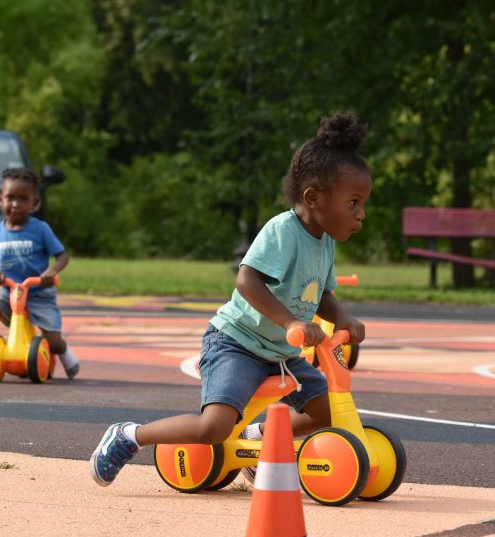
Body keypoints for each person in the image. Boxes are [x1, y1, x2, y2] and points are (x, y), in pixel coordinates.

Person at [89, 111, 371, 487]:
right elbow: (247, 281)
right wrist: (291, 322)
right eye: (353, 203)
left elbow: (323, 295)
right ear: (314, 197)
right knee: (214, 427)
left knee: (328, 413)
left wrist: (344, 319)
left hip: (280, 354)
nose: (361, 215)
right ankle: (129, 436)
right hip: (236, 344)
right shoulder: (283, 231)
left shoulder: (325, 244)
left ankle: (259, 440)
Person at [0, 167, 80, 381]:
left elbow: (62, 256)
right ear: (1, 200)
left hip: (38, 293)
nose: (16, 204)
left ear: (35, 203)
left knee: (51, 342)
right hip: (9, 293)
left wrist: (51, 272)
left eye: (23, 199)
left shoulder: (40, 229)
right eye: (11, 198)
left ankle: (62, 350)